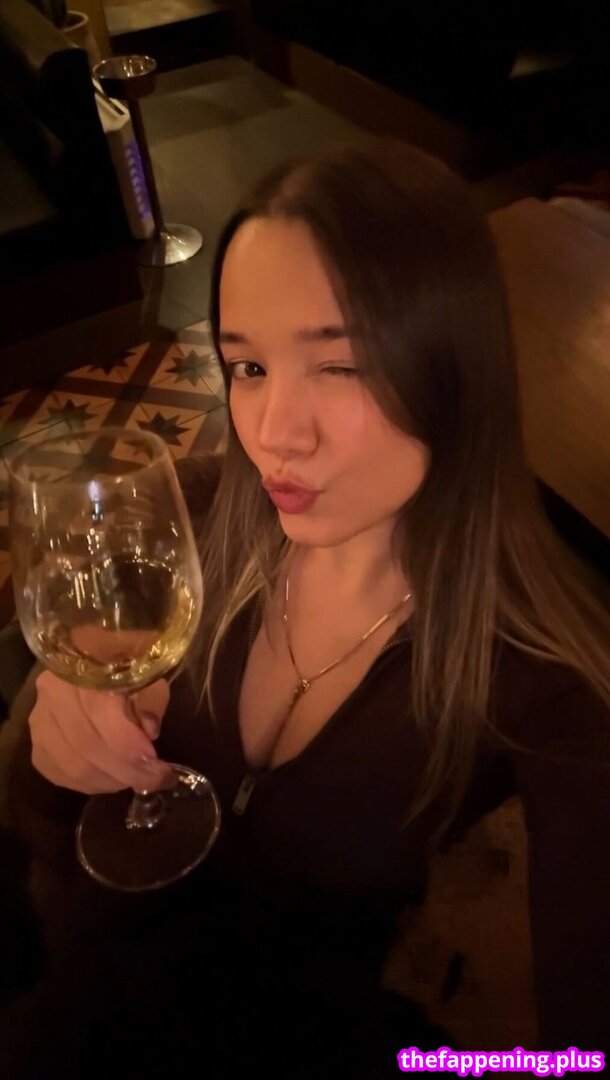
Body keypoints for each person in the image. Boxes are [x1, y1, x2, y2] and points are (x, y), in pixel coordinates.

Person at [2, 137, 610, 1077]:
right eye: (247, 367)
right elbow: (35, 822)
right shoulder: (186, 520)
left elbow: (583, 1043)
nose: (272, 434)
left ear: (453, 369)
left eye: (341, 366)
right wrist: (52, 743)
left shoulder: (544, 674)